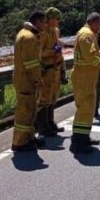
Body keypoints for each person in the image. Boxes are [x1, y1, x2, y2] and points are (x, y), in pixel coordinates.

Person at [70, 13, 100, 154]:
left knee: (88, 110)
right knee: (85, 110)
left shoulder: (89, 33)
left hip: (87, 78)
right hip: (83, 78)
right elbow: (91, 57)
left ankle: (83, 137)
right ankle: (78, 142)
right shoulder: (87, 35)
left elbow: (97, 52)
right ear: (95, 22)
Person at [12, 11, 47, 152]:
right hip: (26, 81)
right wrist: (38, 80)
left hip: (24, 79)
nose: (45, 24)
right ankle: (19, 142)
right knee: (25, 112)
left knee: (31, 110)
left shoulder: (26, 34)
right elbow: (31, 64)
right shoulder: (29, 38)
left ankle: (29, 138)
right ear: (37, 22)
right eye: (43, 22)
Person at [35, 7, 67, 137]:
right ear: (50, 19)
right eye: (56, 19)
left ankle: (50, 122)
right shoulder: (42, 33)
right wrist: (52, 51)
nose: (58, 21)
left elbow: (60, 53)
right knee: (45, 98)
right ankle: (42, 126)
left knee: (53, 97)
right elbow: (40, 53)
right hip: (47, 70)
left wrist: (63, 70)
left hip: (56, 69)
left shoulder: (56, 32)